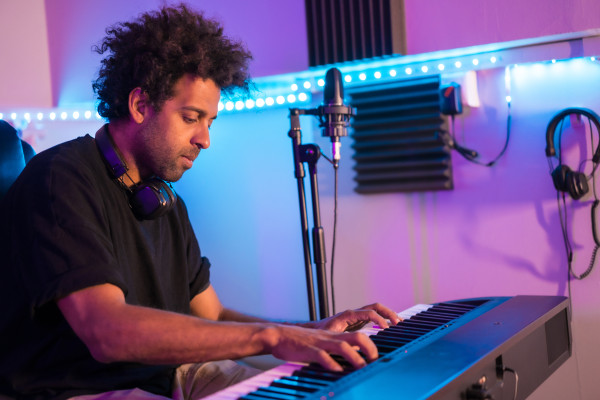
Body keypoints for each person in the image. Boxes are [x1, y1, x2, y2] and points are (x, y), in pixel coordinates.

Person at [0, 4, 400, 400]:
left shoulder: (160, 198)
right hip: (78, 389)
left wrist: (312, 331)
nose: (205, 140)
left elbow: (214, 316)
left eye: (209, 122)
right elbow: (107, 332)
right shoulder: (60, 179)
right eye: (191, 118)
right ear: (140, 105)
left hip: (167, 375)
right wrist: (274, 338)